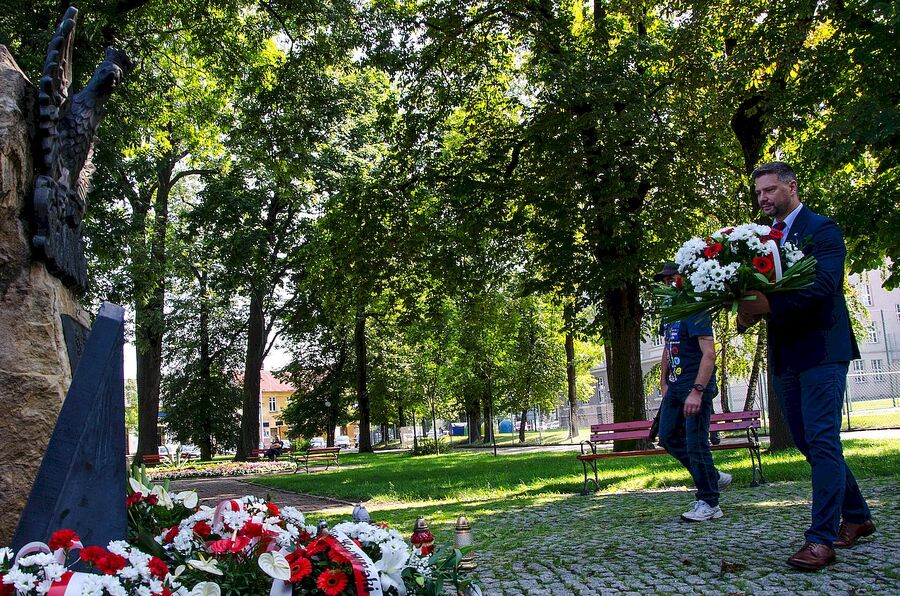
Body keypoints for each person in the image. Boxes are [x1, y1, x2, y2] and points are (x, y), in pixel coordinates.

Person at [738, 161, 874, 571]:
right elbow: (754, 290)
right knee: (805, 440)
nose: (763, 198)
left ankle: (820, 541)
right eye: (759, 192)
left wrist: (768, 305)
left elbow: (825, 285)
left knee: (822, 439)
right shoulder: (760, 238)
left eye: (770, 190)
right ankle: (858, 516)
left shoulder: (823, 229)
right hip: (786, 354)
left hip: (823, 350)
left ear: (792, 187)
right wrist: (744, 310)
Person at [655, 262, 732, 522]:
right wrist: (664, 382)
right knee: (667, 437)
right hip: (675, 388)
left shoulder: (697, 310)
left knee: (697, 443)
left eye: (672, 278)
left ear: (685, 278)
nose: (667, 284)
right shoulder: (671, 312)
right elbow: (667, 349)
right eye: (664, 281)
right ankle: (711, 476)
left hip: (694, 387)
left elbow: (709, 354)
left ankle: (709, 502)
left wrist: (698, 390)